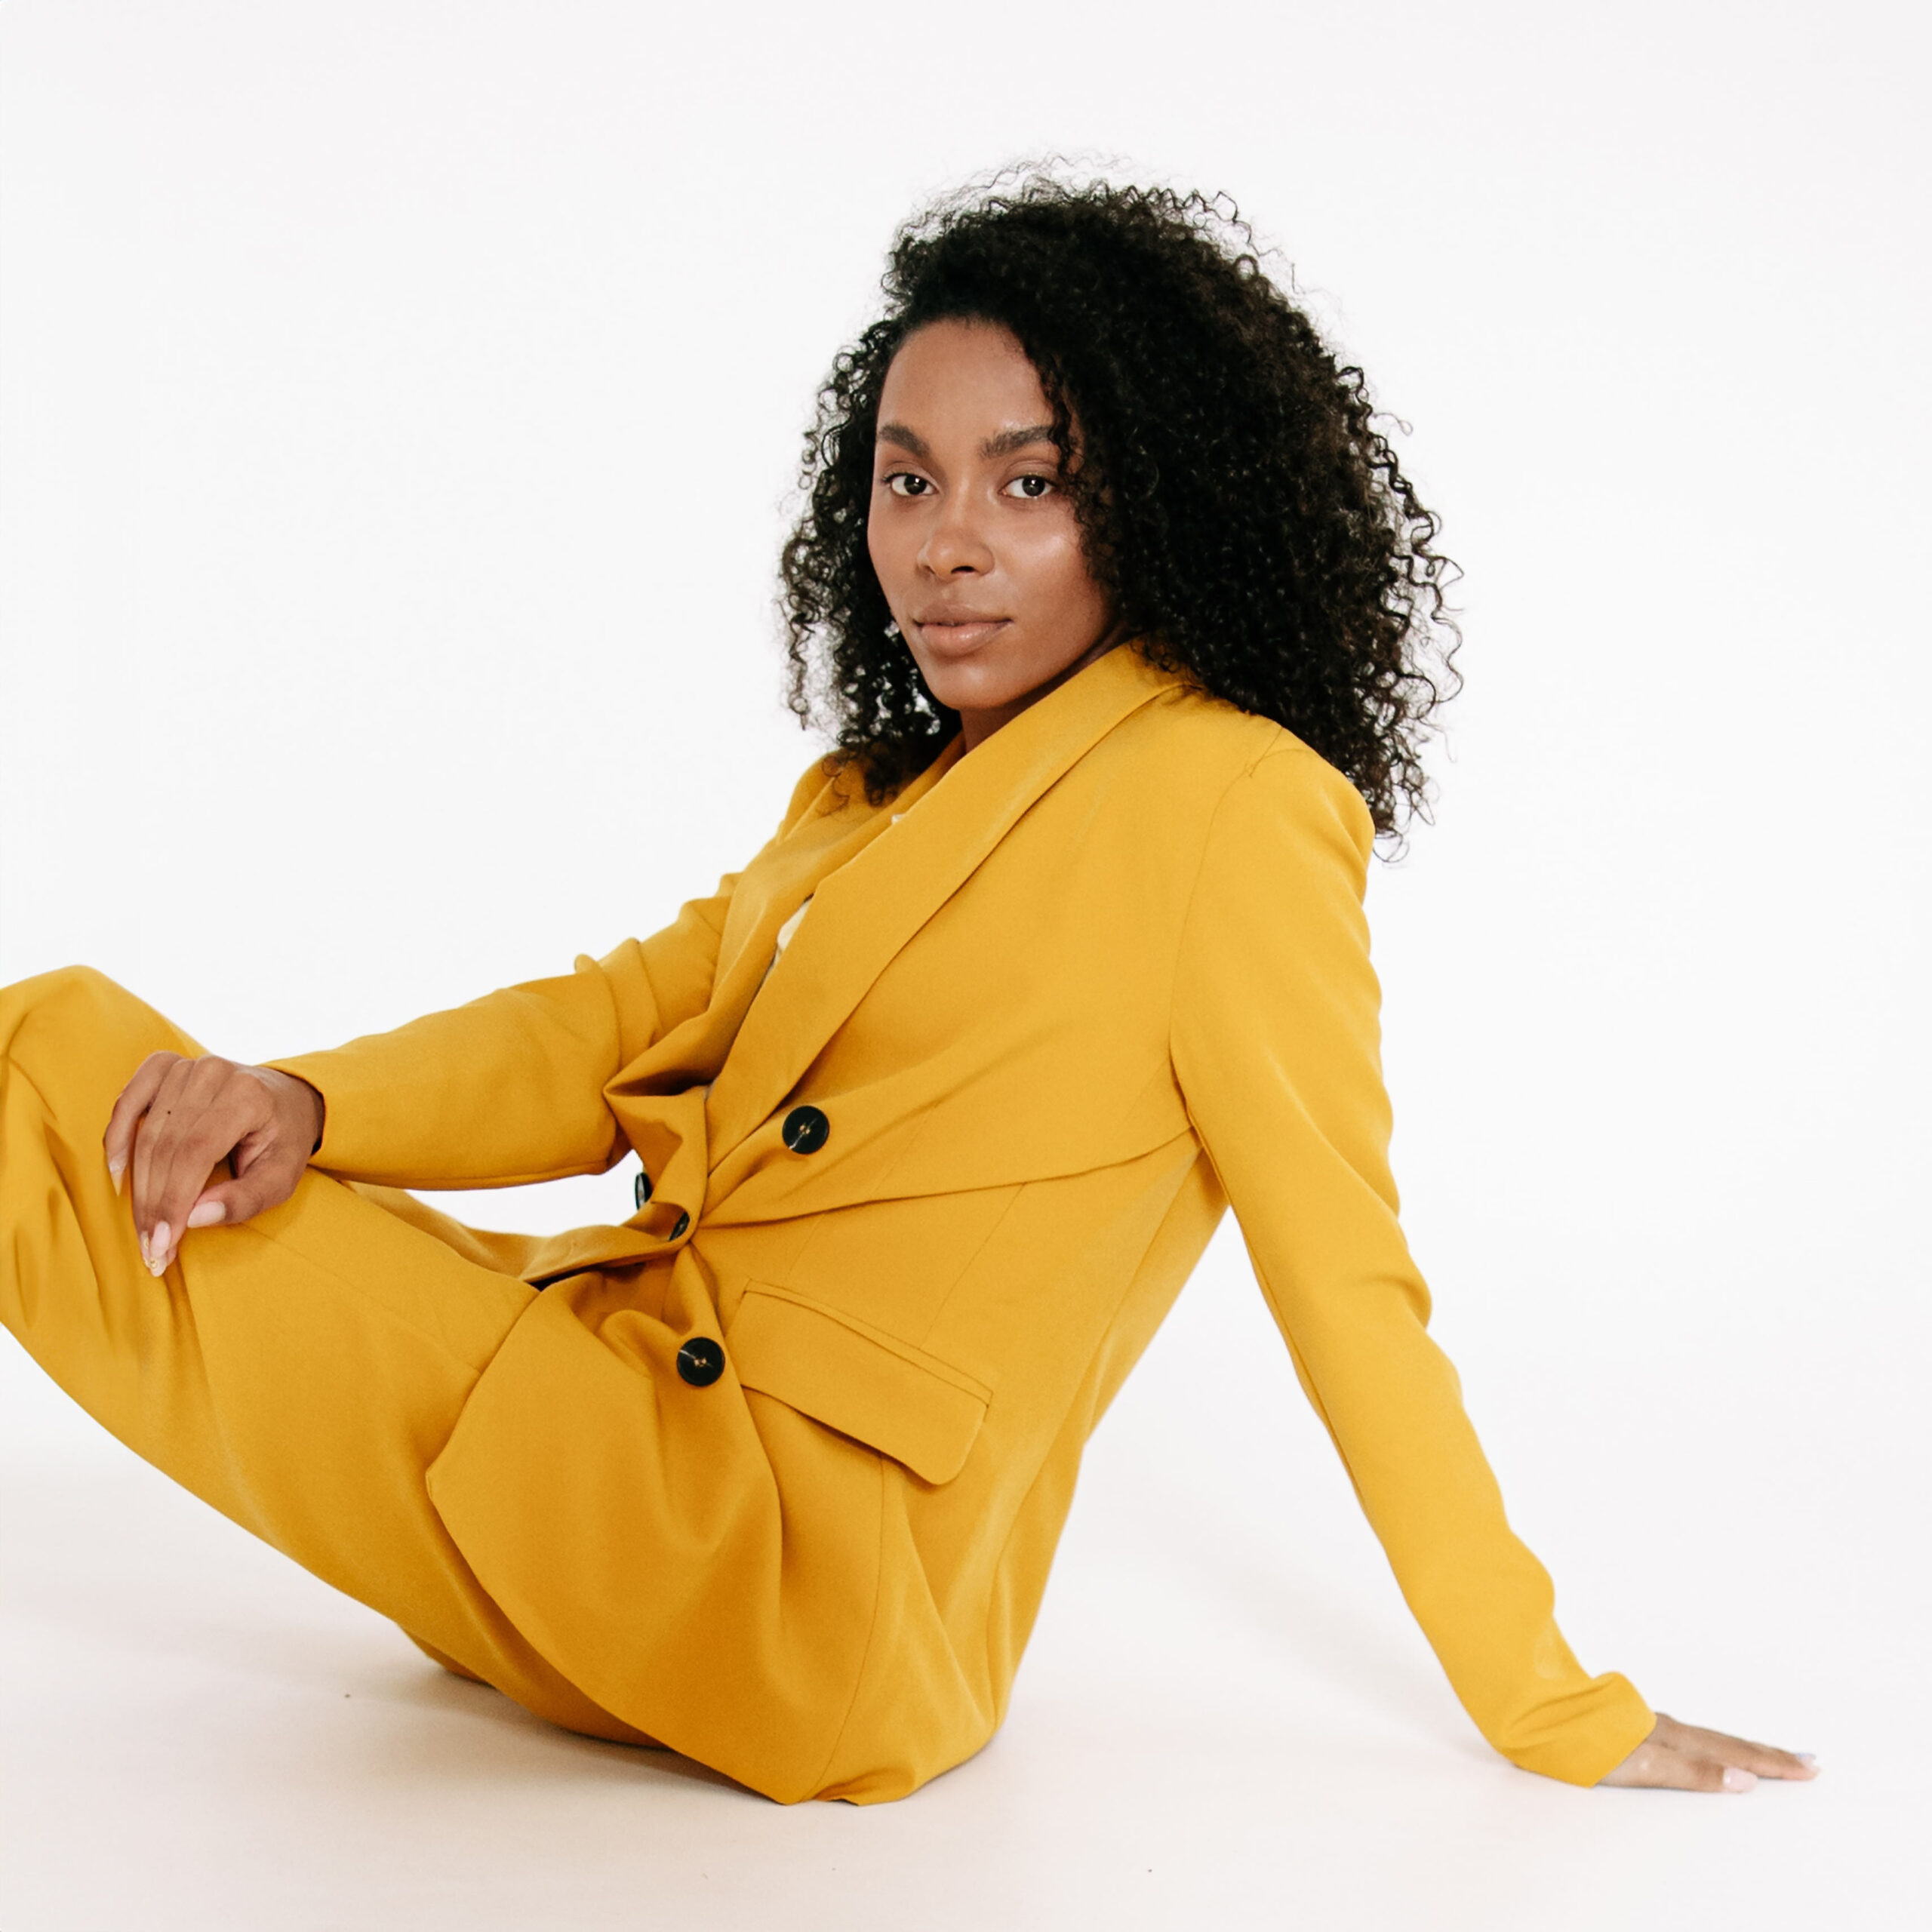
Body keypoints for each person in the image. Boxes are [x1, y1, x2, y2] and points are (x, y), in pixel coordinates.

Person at [0, 174, 1814, 1804]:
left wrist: (1544, 1695)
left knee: (48, 1062)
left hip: (779, 1573)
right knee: (100, 1069)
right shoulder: (866, 800)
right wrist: (302, 1102)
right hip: (612, 1454)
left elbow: (1345, 1280)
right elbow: (612, 1024)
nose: (948, 541)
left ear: (1160, 500)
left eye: (1031, 482)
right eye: (907, 477)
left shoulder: (1231, 805)